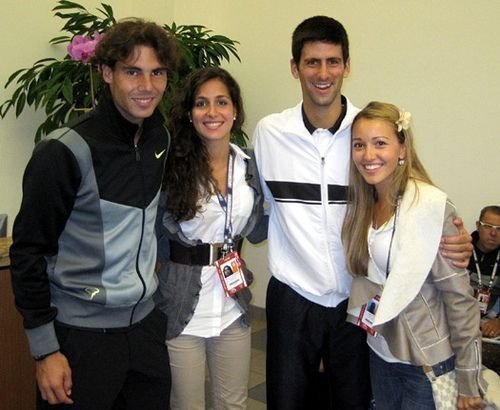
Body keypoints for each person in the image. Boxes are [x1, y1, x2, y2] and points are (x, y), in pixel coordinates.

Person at [252, 15, 474, 409]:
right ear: (294, 68)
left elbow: (408, 202)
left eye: (333, 61)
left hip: (354, 299)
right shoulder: (270, 133)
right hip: (292, 296)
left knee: (354, 401)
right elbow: (258, 204)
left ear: (347, 66)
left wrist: (451, 239)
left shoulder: (366, 132)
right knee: (286, 402)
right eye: (312, 62)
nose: (323, 73)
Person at [9, 19, 180, 409]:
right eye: (132, 71)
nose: (147, 86)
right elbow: (28, 253)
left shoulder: (160, 138)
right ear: (106, 72)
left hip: (145, 331)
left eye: (157, 73)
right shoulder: (63, 151)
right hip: (80, 338)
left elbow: (153, 221)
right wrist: (45, 351)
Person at [343, 101, 485, 410]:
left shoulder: (430, 207)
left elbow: (460, 301)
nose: (368, 155)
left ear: (403, 148)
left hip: (425, 364)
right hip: (380, 351)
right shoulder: (363, 205)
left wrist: (468, 379)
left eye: (380, 143)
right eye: (359, 145)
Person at [155, 67, 266, 410]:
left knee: (233, 403)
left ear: (235, 110)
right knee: (186, 404)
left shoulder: (248, 164)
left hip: (232, 302)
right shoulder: (171, 165)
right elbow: (154, 231)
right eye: (202, 104)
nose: (213, 112)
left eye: (222, 102)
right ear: (189, 113)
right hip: (182, 303)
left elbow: (262, 223)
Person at [468, 206, 500, 338]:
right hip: (456, 320)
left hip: (491, 323)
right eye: (488, 226)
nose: (493, 233)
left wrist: (499, 320)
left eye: (499, 229)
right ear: (478, 226)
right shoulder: (460, 250)